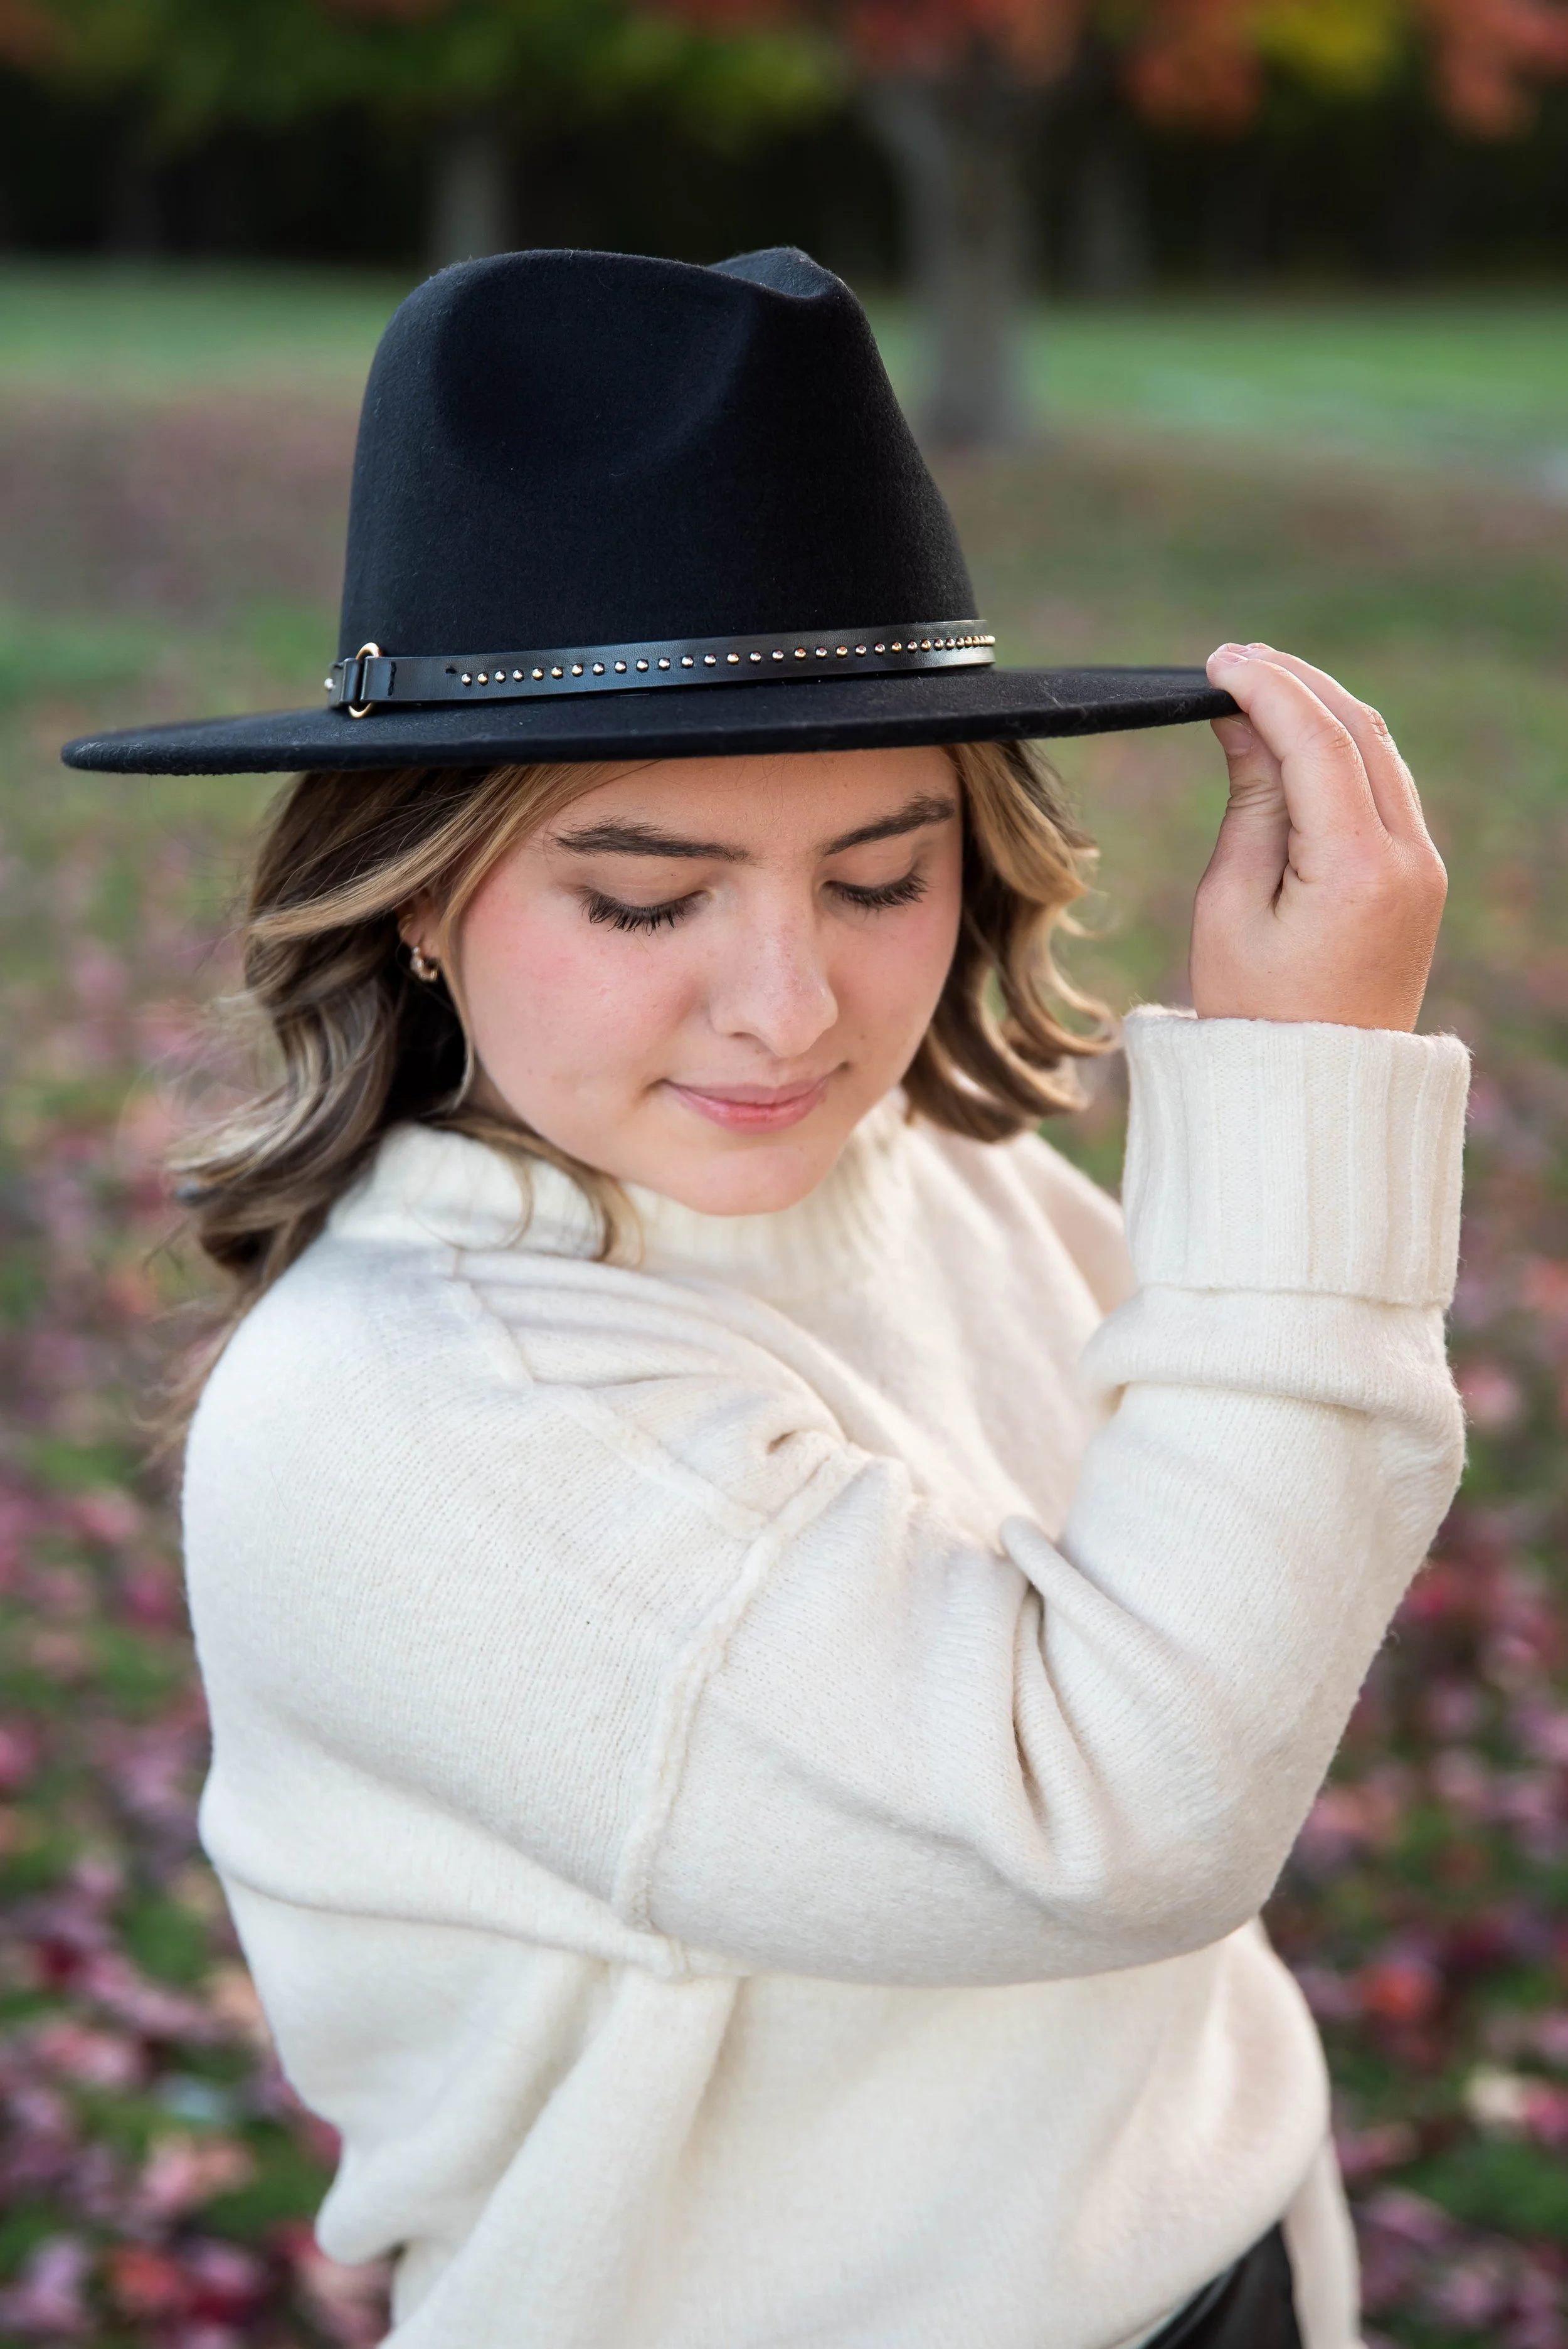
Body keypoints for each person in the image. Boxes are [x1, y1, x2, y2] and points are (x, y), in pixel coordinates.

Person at [63, 248, 1466, 2349]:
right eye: (644, 895)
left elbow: (1214, 1640)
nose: (790, 1007)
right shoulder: (397, 1411)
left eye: (880, 874)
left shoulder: (951, 1176)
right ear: (422, 893)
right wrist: (1309, 1098)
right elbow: (1119, 1812)